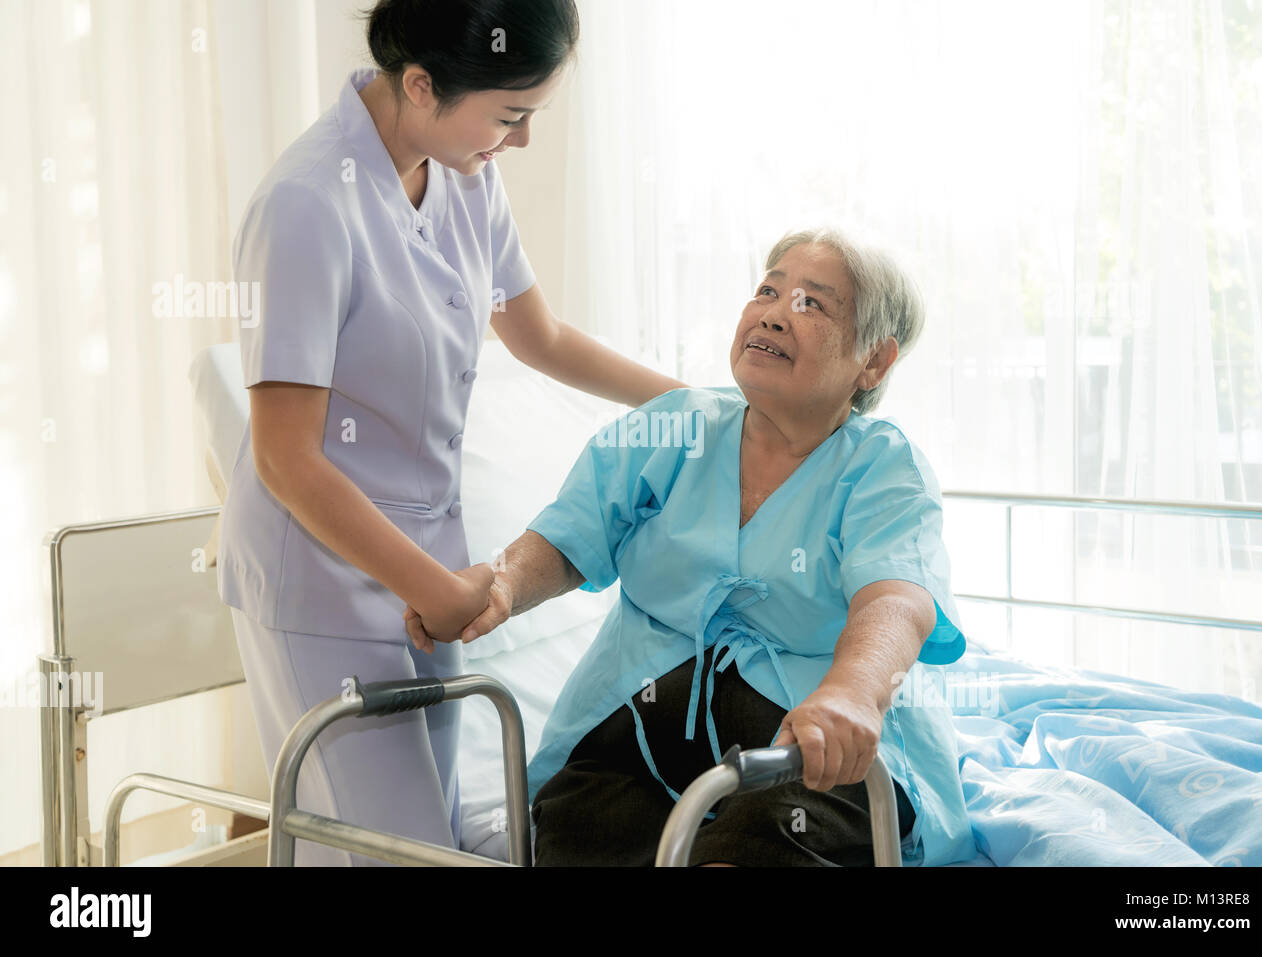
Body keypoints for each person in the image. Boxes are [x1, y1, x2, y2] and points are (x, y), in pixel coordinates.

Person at [217, 0, 683, 866]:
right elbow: (285, 456)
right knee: (397, 853)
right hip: (323, 579)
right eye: (511, 115)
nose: (523, 140)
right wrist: (431, 585)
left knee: (430, 848)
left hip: (428, 574)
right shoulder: (306, 204)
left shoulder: (464, 171)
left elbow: (539, 338)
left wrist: (697, 404)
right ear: (422, 84)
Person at [410, 228, 979, 866]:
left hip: (806, 741)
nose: (773, 312)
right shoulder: (672, 427)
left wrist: (853, 691)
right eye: (768, 290)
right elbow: (571, 533)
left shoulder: (882, 467)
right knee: (581, 828)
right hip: (641, 729)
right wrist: (502, 584)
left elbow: (896, 598)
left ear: (873, 361)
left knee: (774, 831)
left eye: (812, 304)